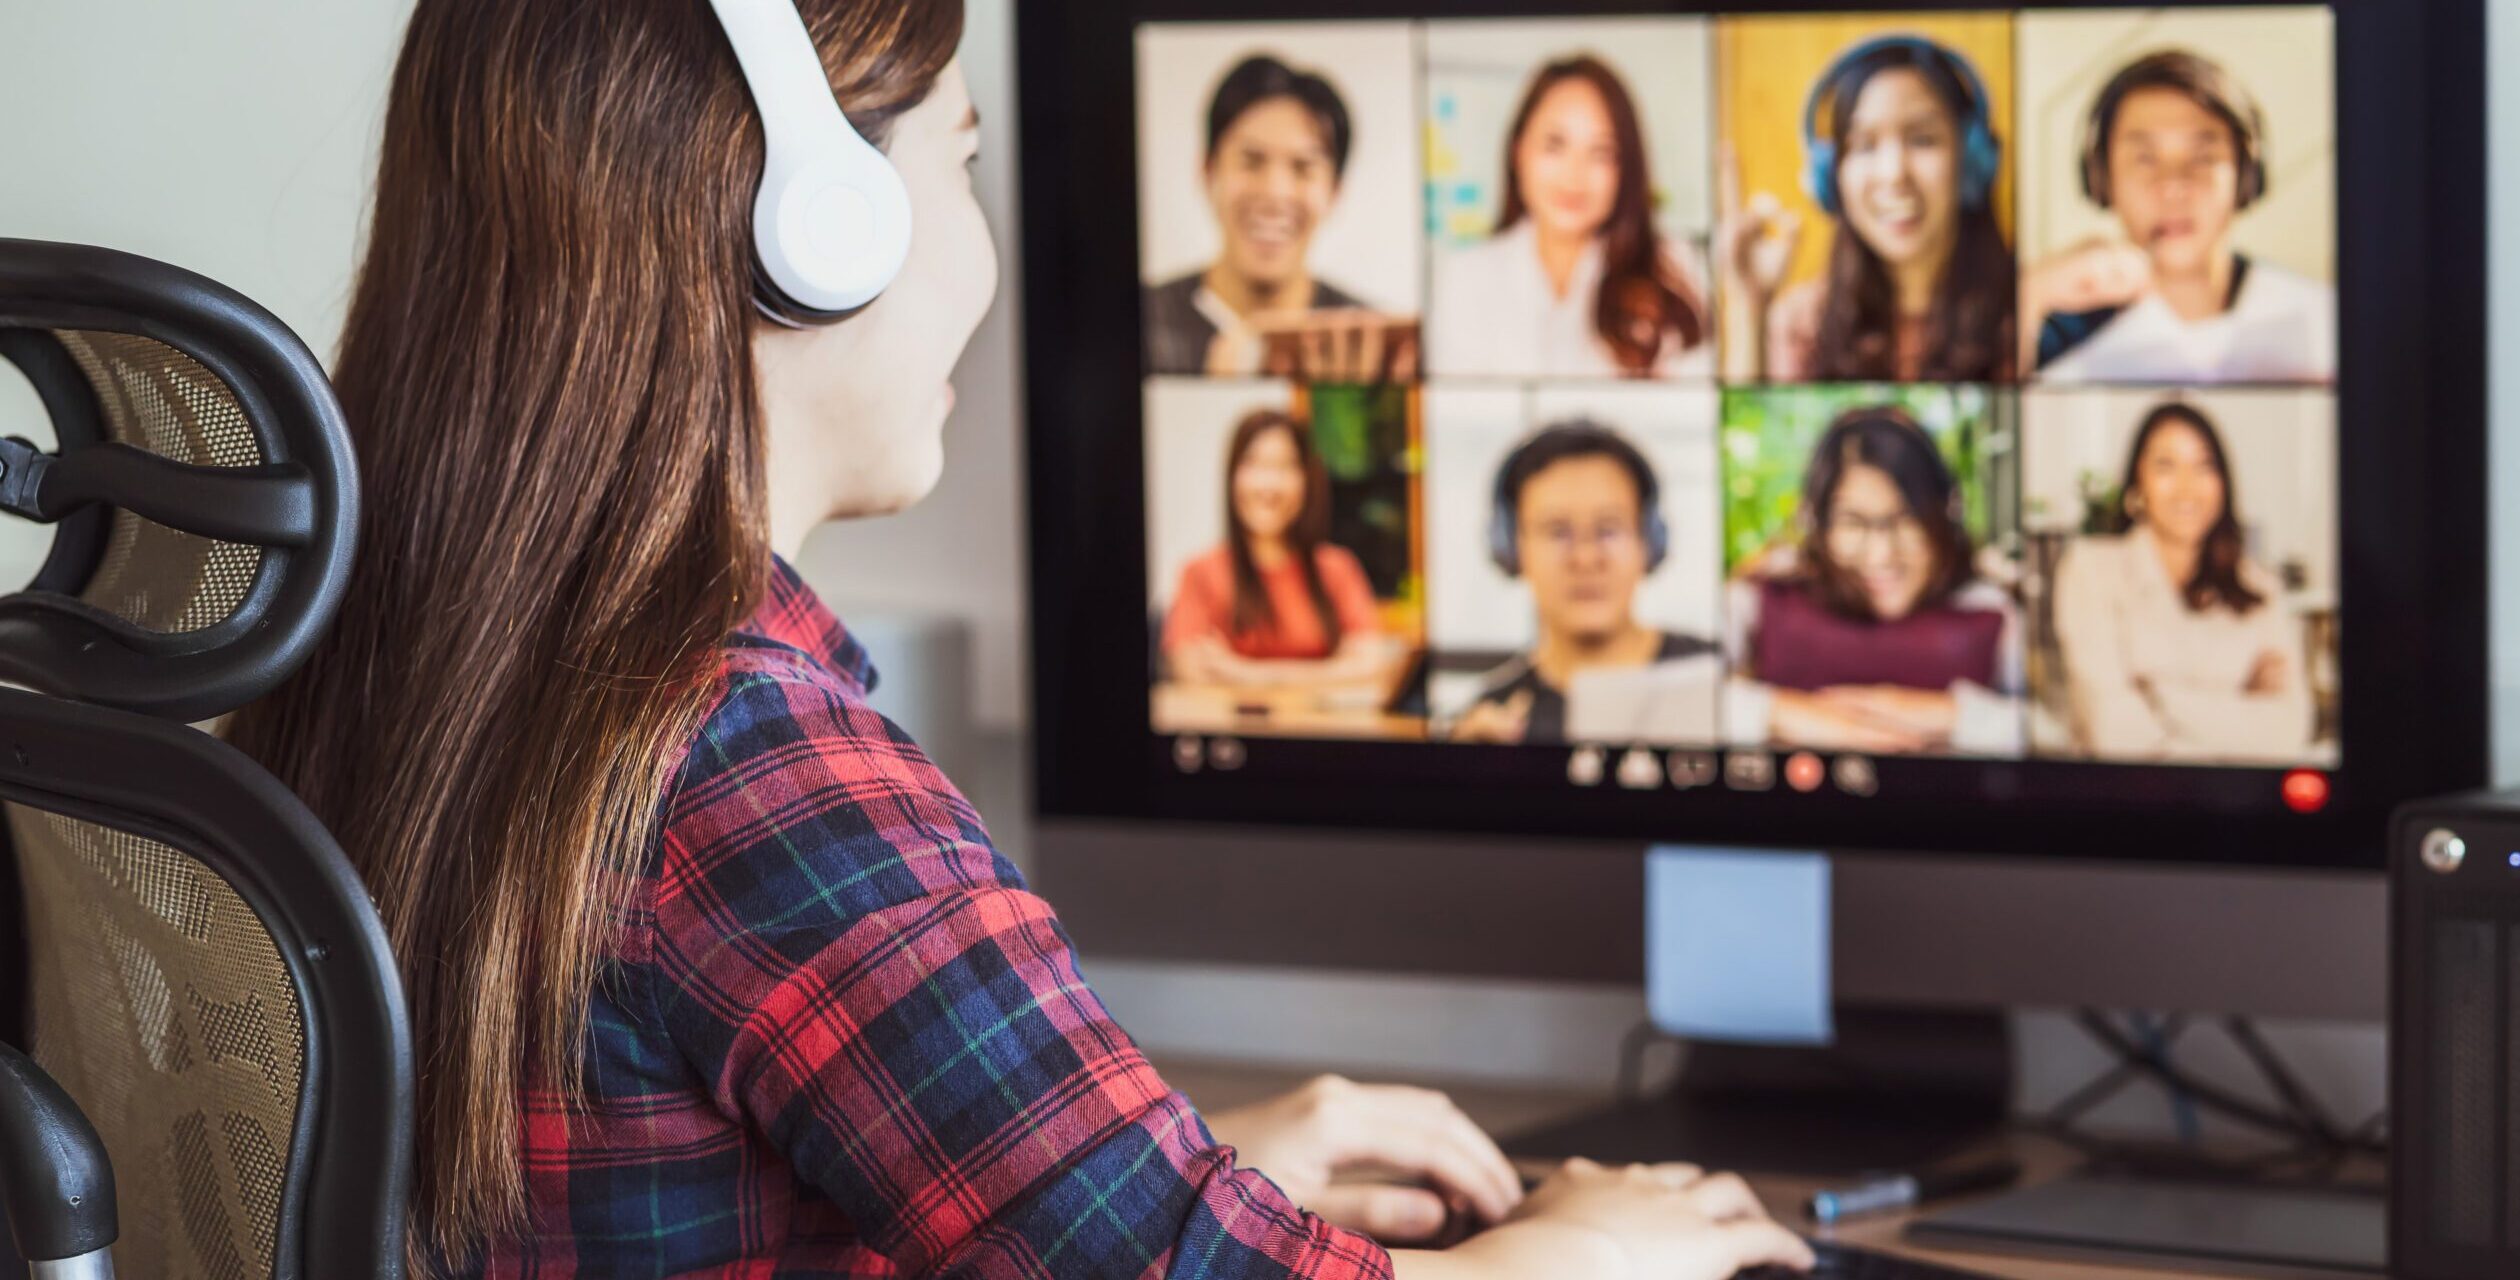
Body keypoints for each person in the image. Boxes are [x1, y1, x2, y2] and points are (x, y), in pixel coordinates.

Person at [223, 2, 1814, 1277]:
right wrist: (1598, 1245)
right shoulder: (747, 760)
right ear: (813, 227)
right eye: (963, 161)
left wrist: (1175, 1170)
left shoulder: (384, 654)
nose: (981, 255)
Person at [1725, 407, 2024, 756]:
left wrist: (1952, 715)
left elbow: (2062, 729)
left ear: (1946, 513)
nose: (1882, 555)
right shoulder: (1766, 591)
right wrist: (1784, 713)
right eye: (1853, 522)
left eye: (1907, 519)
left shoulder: (1990, 607)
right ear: (1816, 523)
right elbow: (1678, 692)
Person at [2022, 51, 2334, 384]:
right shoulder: (2048, 330)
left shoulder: (2321, 319)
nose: (2172, 188)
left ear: (2244, 175)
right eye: (2144, 159)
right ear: (2101, 176)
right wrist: (2030, 293)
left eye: (2202, 157)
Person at [1721, 35, 2016, 384]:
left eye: (1922, 139)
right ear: (1831, 176)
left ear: (1970, 160)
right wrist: (1751, 306)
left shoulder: (2024, 309)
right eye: (1863, 145)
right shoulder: (1800, 323)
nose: (1893, 175)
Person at [2049, 401, 2315, 762]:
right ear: (2137, 483)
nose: (2187, 487)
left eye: (2204, 465)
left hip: (2239, 810)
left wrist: (2159, 695)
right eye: (2166, 466)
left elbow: (2288, 731)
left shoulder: (2258, 586)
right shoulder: (2091, 569)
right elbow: (2112, 733)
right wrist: (2239, 702)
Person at [1428, 55, 1711, 380]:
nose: (1574, 176)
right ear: (1518, 151)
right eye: (1555, 145)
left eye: (1601, 153)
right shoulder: (1467, 276)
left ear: (1625, 168)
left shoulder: (1672, 266)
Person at [1145, 54, 1418, 381]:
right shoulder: (1143, 319)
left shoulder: (1373, 340)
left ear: (1334, 192)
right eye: (1251, 161)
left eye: (1303, 167)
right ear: (1207, 172)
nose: (1275, 194)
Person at [1453, 421, 1718, 745]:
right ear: (1510, 546)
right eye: (1557, 531)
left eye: (1608, 529)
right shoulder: (1489, 716)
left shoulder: (1718, 675)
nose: (1585, 559)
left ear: (1649, 540)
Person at [1161, 408, 1408, 700]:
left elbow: (1372, 667)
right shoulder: (1200, 571)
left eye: (1284, 466)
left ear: (1306, 480)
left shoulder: (1337, 568)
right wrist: (1329, 673)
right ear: (1232, 476)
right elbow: (1191, 674)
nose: (1269, 485)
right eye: (1254, 464)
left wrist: (1248, 675)